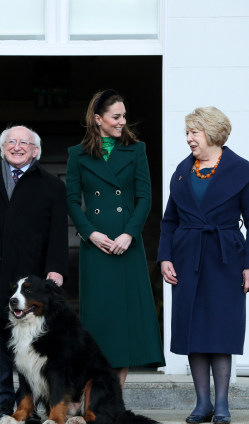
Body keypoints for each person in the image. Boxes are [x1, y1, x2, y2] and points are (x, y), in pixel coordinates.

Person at [157, 107, 249, 424]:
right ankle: (201, 403)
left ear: (213, 133)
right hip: (187, 257)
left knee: (220, 328)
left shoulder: (240, 170)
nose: (189, 138)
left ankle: (221, 404)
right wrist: (165, 257)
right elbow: (169, 221)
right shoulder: (182, 171)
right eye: (187, 132)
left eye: (195, 132)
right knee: (193, 330)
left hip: (225, 258)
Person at [0, 125, 69, 424]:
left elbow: (59, 234)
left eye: (24, 142)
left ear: (36, 150)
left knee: (34, 347)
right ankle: (4, 405)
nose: (17, 146)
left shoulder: (52, 186)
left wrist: (56, 269)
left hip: (34, 285)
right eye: (11, 141)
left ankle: (32, 406)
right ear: (2, 147)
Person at [65, 90, 165, 390]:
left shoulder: (136, 150)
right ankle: (91, 395)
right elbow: (71, 200)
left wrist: (128, 234)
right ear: (98, 119)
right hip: (96, 246)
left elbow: (145, 197)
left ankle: (115, 398)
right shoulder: (76, 154)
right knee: (99, 321)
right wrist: (90, 232)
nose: (122, 122)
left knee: (124, 323)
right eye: (116, 117)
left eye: (124, 116)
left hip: (126, 245)